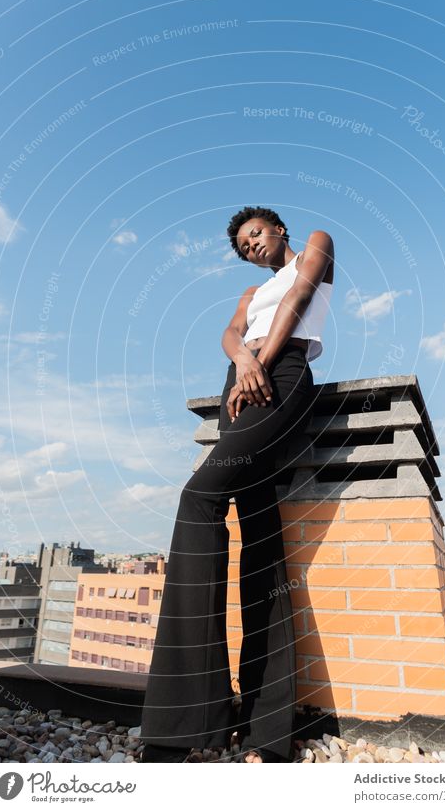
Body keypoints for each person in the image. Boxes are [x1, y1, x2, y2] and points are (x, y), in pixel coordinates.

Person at [140, 206, 334, 763]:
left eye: (256, 234)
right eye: (242, 245)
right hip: (241, 382)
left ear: (278, 230)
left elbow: (297, 301)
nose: (250, 245)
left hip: (283, 377)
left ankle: (185, 718)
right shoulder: (250, 293)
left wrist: (259, 367)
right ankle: (267, 730)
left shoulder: (316, 244)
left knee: (198, 496)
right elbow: (229, 333)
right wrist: (243, 358)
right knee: (259, 528)